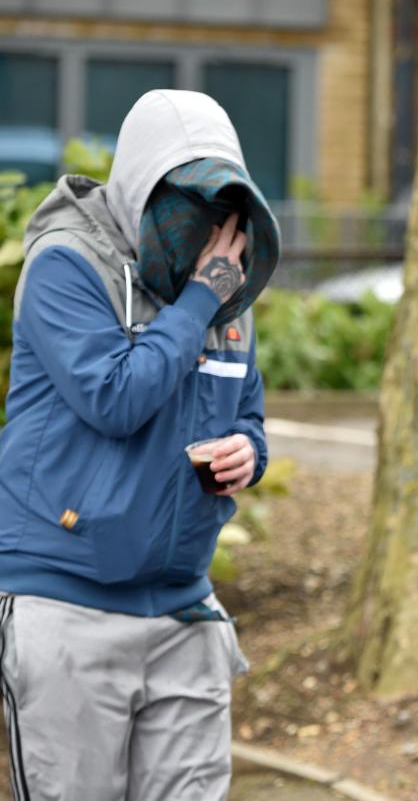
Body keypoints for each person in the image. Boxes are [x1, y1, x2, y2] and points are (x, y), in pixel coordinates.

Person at [0, 90, 279, 800]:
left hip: (183, 612)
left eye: (222, 215)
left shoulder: (223, 292)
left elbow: (245, 413)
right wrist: (198, 300)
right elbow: (115, 398)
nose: (207, 233)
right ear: (141, 186)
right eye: (188, 208)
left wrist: (247, 453)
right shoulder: (66, 267)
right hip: (67, 607)